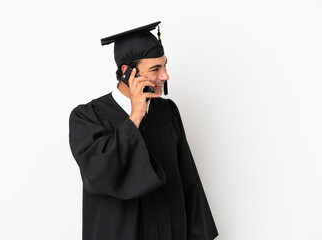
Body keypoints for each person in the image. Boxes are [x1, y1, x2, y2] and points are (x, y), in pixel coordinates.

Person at [69, 21, 219, 240]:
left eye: (165, 66)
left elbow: (188, 178)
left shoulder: (167, 111)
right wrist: (135, 117)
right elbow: (98, 175)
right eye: (155, 69)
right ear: (127, 72)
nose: (165, 76)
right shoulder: (88, 116)